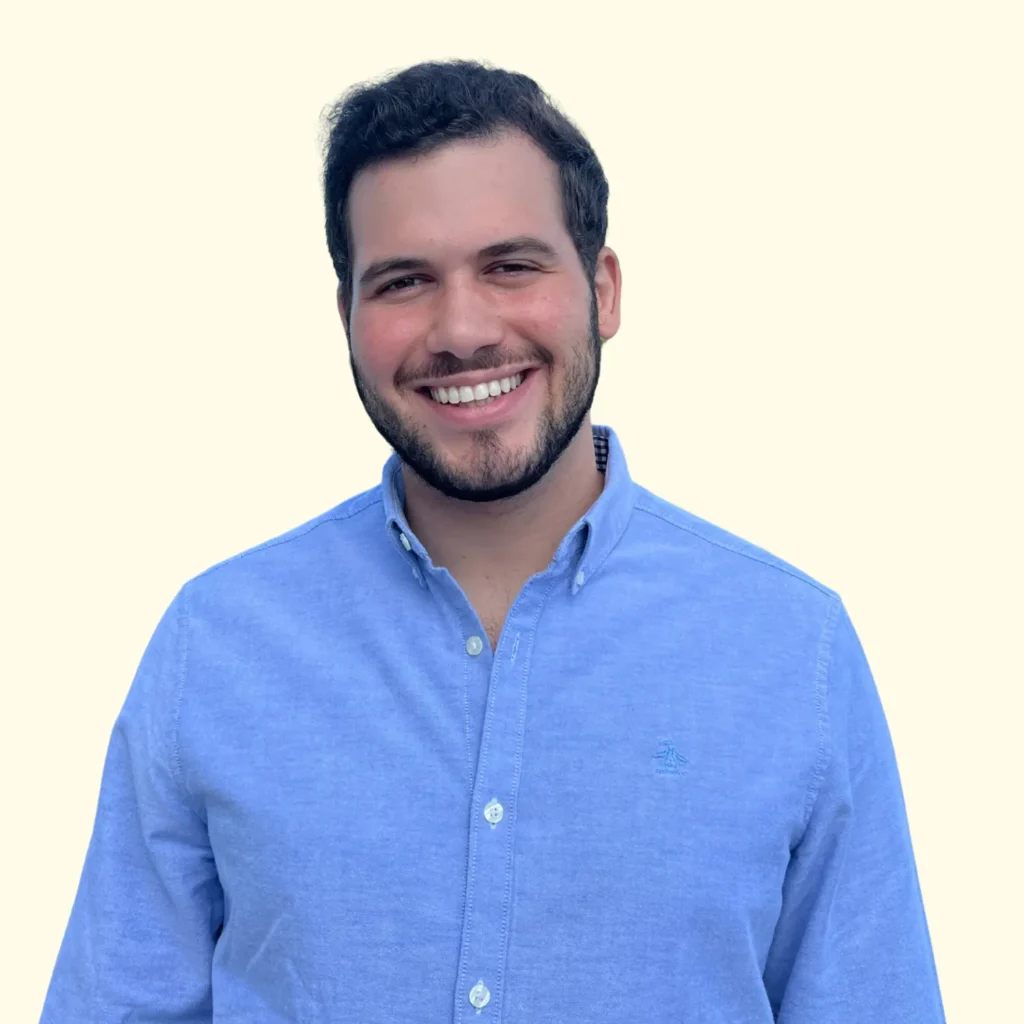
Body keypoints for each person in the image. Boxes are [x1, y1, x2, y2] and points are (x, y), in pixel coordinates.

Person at [41, 60, 946, 1023]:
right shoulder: (216, 644)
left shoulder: (793, 650)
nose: (463, 330)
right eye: (404, 281)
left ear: (603, 290)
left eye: (511, 266)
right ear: (347, 318)